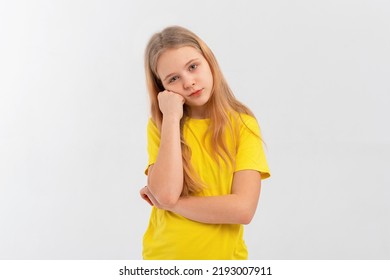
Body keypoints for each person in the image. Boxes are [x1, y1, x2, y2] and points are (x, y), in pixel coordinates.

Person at [139, 26, 270, 260]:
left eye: (192, 67)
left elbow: (243, 209)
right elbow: (166, 193)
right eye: (173, 78)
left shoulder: (243, 125)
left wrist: (173, 205)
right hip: (163, 260)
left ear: (209, 61)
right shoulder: (161, 127)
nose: (188, 82)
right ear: (163, 89)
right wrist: (170, 117)